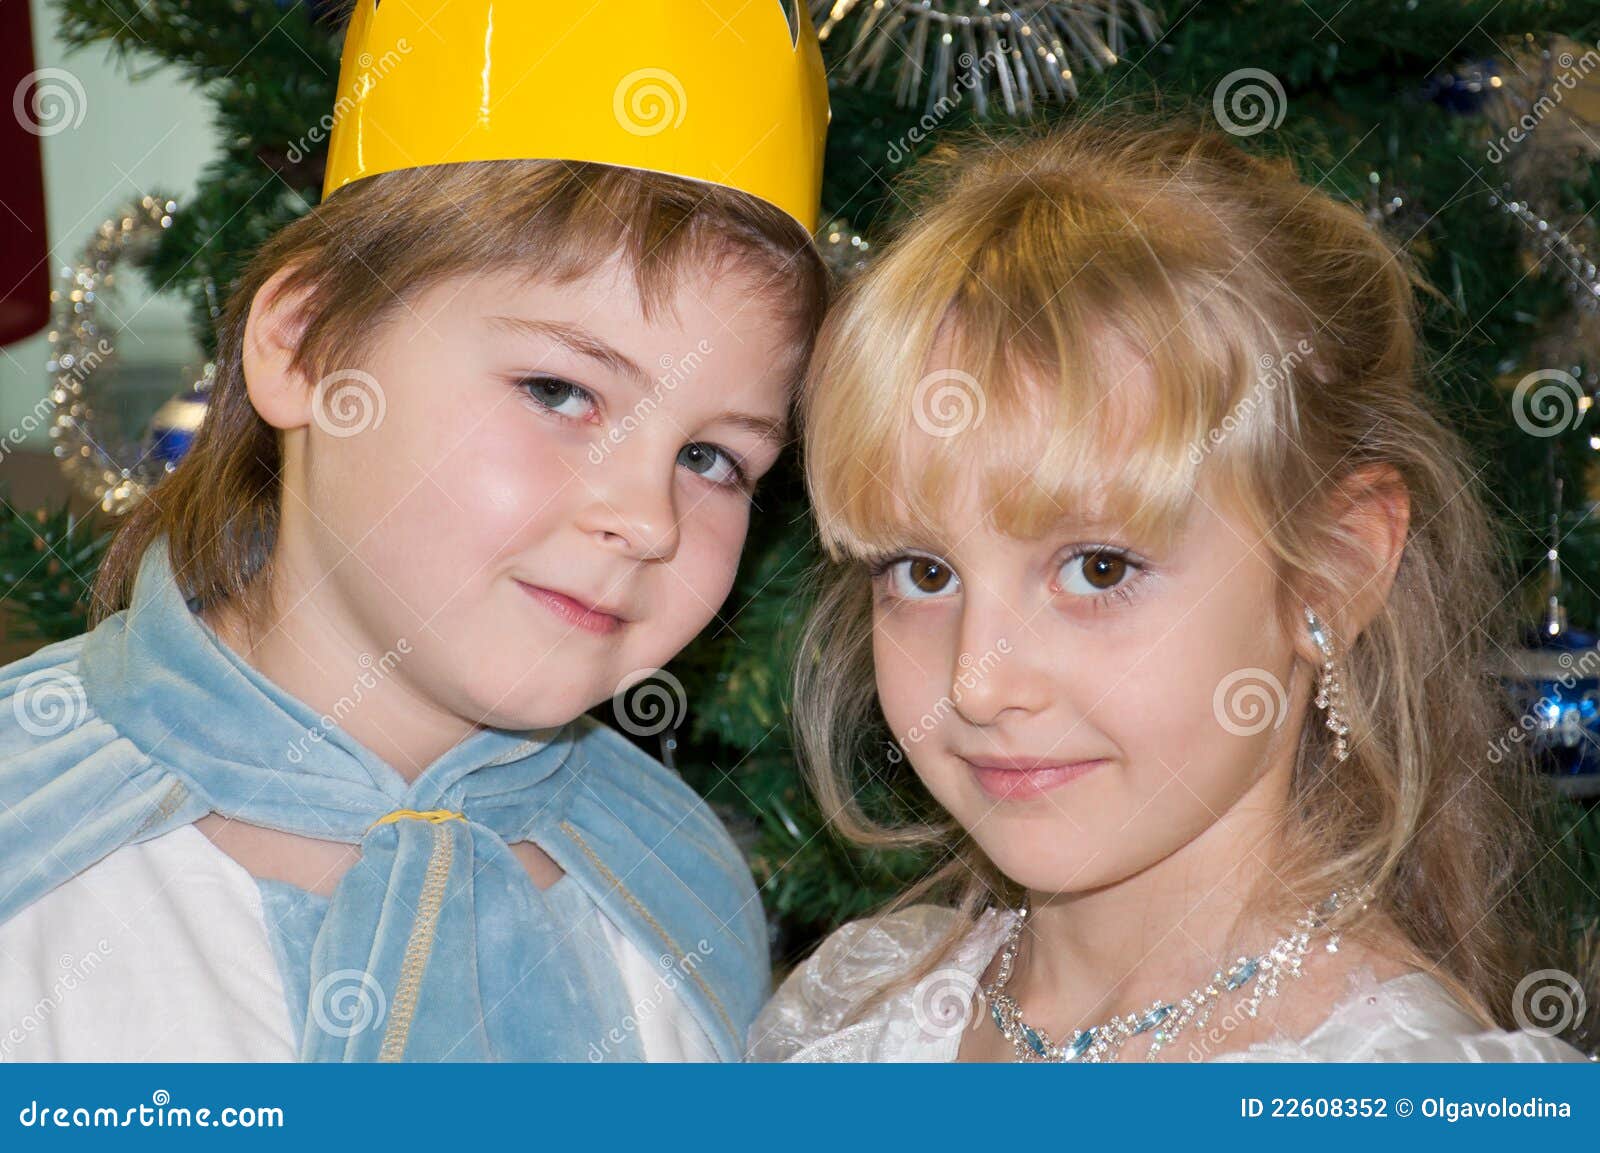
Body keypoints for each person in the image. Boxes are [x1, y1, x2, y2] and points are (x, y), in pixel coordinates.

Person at [0, 0, 830, 1061]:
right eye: (559, 390)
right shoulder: (33, 850)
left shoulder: (682, 889)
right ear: (304, 344)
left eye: (711, 459)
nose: (644, 518)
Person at [748, 114, 1594, 1063]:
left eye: (1098, 568)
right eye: (923, 572)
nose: (977, 684)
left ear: (1336, 568)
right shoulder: (851, 1018)